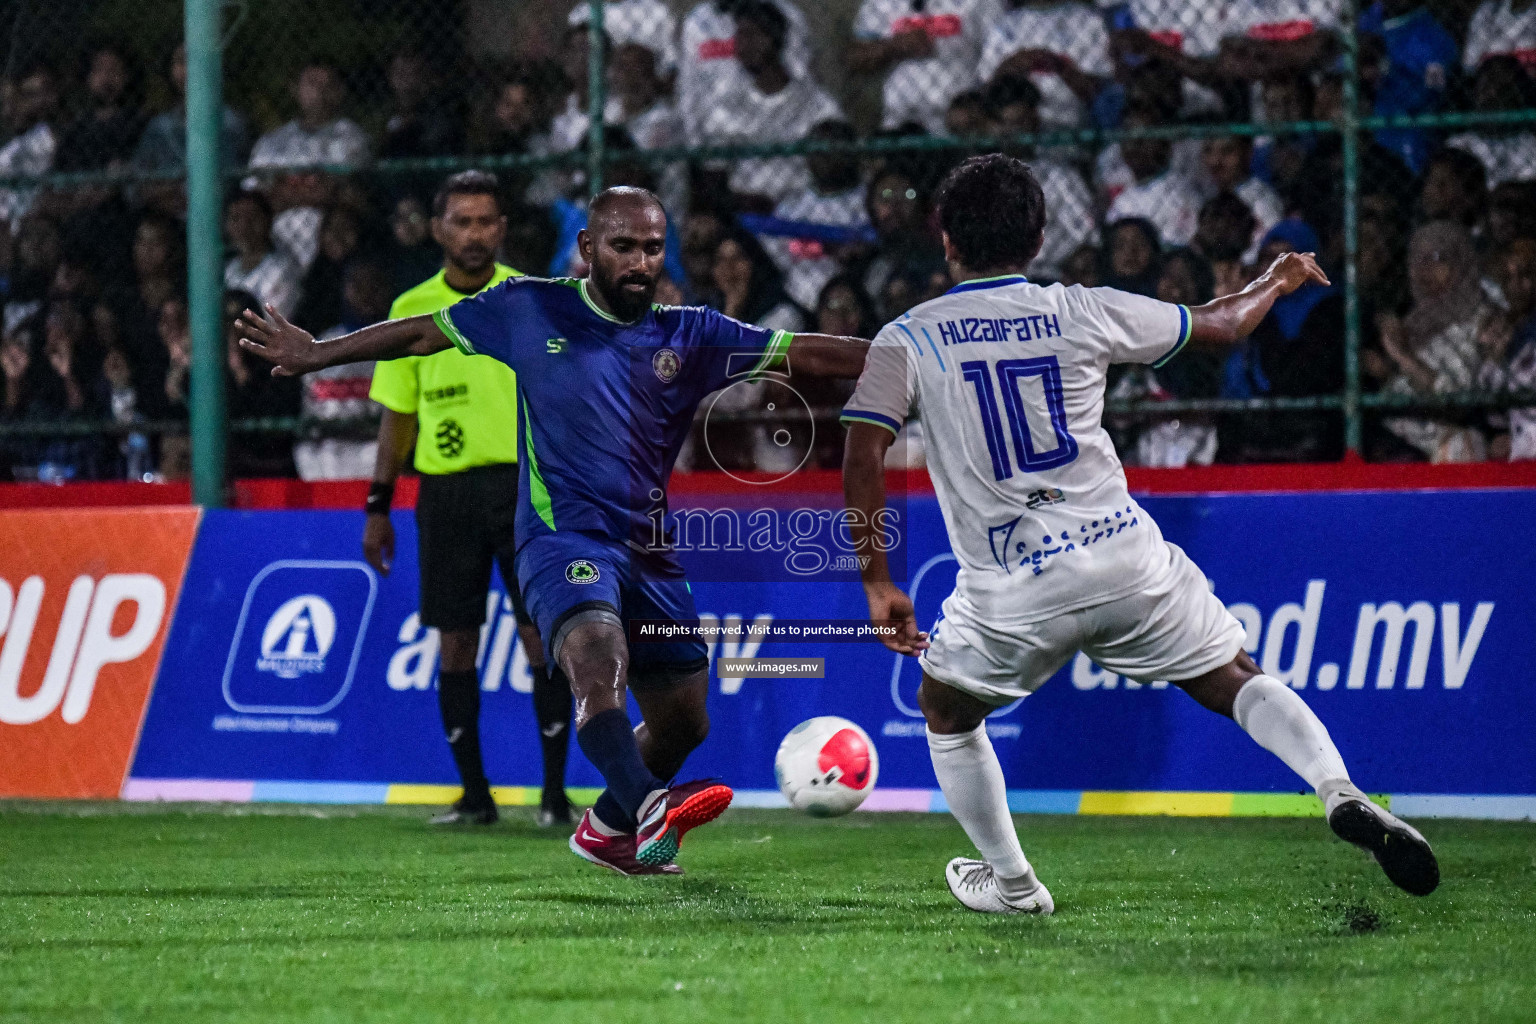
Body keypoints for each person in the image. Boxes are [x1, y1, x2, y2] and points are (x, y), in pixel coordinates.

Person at [838, 154, 1438, 915]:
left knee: (946, 712)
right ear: (1039, 236)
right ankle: (1337, 787)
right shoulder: (1078, 309)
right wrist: (1277, 280)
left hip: (1013, 587)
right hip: (1124, 555)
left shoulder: (908, 337)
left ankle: (1015, 885)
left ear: (945, 238)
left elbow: (862, 450)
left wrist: (878, 580)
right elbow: (1221, 325)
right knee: (1233, 675)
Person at [234, 186, 871, 873]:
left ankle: (605, 829)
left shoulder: (690, 333)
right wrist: (318, 352)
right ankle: (649, 808)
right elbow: (421, 331)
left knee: (686, 720)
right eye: (623, 246)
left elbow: (804, 351)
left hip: (649, 555)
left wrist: (903, 356)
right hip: (558, 539)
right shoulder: (527, 307)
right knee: (597, 665)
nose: (639, 261)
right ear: (589, 249)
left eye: (653, 248)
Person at [364, 171, 575, 828]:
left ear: (502, 229)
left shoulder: (530, 300)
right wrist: (378, 503)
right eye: (462, 221)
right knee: (457, 642)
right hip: (446, 492)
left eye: (486, 221)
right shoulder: (409, 309)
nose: (475, 234)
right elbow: (397, 415)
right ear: (438, 230)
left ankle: (553, 797)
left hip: (525, 488)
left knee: (543, 636)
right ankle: (475, 796)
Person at [246, 62, 371, 270]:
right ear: (296, 89)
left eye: (328, 84)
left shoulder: (351, 136)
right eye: (312, 83)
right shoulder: (272, 142)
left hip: (331, 250)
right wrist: (317, 192)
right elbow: (255, 197)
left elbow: (345, 194)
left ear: (340, 92)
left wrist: (283, 191)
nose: (319, 91)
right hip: (276, 246)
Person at [850, 0, 1001, 135]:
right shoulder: (882, 3)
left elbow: (1000, 57)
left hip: (959, 119)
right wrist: (893, 47)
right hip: (898, 119)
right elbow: (855, 59)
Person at [977, 0, 1112, 130]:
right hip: (1017, 131)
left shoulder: (1089, 20)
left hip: (1076, 127)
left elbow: (1101, 91)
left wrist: (1059, 66)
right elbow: (986, 87)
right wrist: (1011, 65)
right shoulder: (1005, 25)